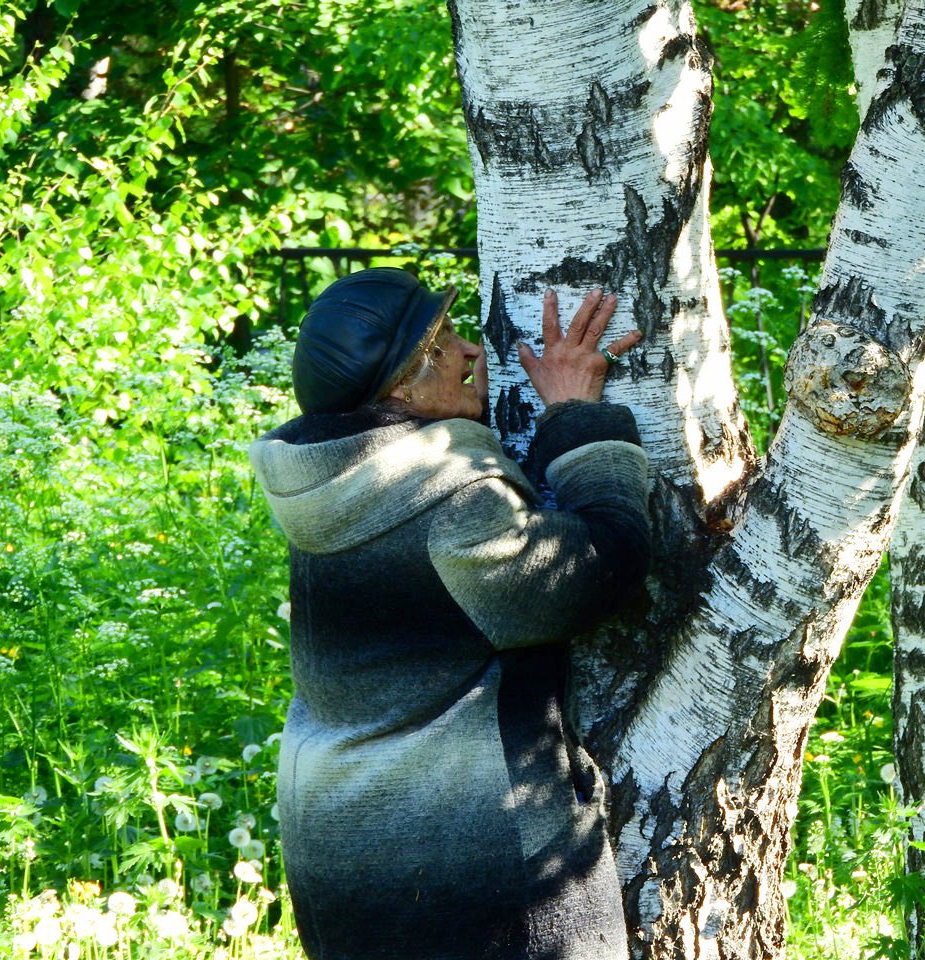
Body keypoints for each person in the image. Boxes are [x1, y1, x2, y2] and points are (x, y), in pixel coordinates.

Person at [248, 267, 650, 960]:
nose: (473, 352)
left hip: (339, 850)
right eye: (442, 343)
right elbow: (602, 567)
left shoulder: (329, 489)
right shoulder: (450, 506)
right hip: (470, 870)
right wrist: (576, 418)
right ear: (400, 391)